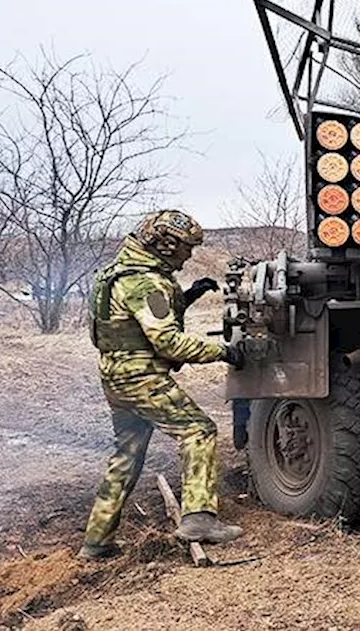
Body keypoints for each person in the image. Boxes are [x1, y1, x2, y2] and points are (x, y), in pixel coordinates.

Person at [80, 209, 246, 560]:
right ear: (167, 245)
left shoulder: (117, 273)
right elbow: (167, 342)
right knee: (198, 431)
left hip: (115, 376)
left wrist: (189, 296)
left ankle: (96, 541)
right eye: (186, 248)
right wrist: (225, 352)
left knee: (126, 457)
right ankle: (199, 519)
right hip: (142, 378)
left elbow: (132, 319)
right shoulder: (146, 281)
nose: (189, 255)